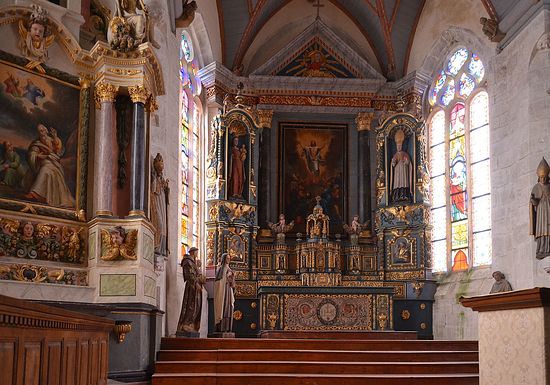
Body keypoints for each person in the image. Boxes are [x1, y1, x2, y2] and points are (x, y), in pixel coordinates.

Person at [24, 124, 75, 208]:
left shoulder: (52, 140)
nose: (43, 131)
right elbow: (32, 154)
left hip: (54, 161)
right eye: (40, 131)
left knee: (50, 170)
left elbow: (58, 151)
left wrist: (55, 137)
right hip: (43, 161)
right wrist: (39, 156)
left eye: (44, 129)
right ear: (38, 133)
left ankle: (42, 195)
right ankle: (35, 193)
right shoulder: (37, 143)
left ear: (46, 130)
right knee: (45, 169)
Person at [177, 247, 204, 334]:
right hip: (192, 287)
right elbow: (189, 275)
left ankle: (191, 324)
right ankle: (185, 324)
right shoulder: (187, 261)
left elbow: (198, 274)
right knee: (191, 305)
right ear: (192, 252)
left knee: (197, 305)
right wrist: (196, 282)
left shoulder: (194, 263)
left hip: (197, 287)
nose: (197, 254)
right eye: (196, 252)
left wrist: (198, 268)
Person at [150, 153, 169, 265]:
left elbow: (166, 194)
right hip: (156, 202)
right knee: (160, 225)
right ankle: (157, 247)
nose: (161, 172)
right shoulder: (154, 179)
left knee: (164, 227)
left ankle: (161, 250)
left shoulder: (162, 180)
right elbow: (153, 190)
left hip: (162, 203)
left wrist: (166, 188)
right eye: (159, 169)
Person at [530, 157, 550, 259]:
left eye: (546, 177)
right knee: (542, 232)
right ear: (539, 177)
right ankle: (541, 249)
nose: (544, 179)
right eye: (542, 177)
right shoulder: (536, 187)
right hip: (541, 215)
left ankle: (548, 248)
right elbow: (533, 203)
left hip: (549, 212)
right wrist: (534, 201)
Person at [214, 253, 235, 333]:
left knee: (229, 308)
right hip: (223, 292)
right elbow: (218, 282)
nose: (229, 260)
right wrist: (227, 278)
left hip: (228, 291)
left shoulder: (229, 269)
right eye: (227, 258)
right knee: (224, 308)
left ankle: (228, 328)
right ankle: (222, 328)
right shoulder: (221, 269)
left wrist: (232, 277)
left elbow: (232, 283)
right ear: (224, 259)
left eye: (229, 258)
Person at [390, 129, 413, 202]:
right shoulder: (395, 155)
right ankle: (397, 196)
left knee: (404, 183)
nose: (399, 147)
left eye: (400, 146)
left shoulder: (405, 154)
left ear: (402, 146)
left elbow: (408, 163)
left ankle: (405, 195)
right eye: (398, 146)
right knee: (397, 184)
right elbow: (392, 165)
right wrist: (393, 162)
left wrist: (406, 161)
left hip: (403, 172)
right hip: (397, 173)